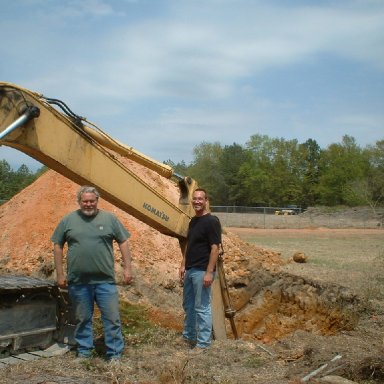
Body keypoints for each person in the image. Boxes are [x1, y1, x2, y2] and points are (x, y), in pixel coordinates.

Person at [51, 185, 133, 361]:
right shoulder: (68, 220)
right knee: (83, 319)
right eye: (85, 201)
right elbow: (57, 245)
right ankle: (85, 352)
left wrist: (127, 268)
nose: (88, 204)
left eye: (91, 201)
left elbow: (124, 242)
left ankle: (115, 354)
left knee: (112, 319)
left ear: (97, 201)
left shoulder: (109, 219)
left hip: (105, 281)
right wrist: (60, 274)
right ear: (79, 202)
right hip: (79, 281)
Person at [179, 188, 222, 350]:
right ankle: (189, 336)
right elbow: (189, 244)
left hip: (202, 271)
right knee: (188, 305)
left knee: (202, 307)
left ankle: (203, 343)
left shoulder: (211, 221)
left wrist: (209, 272)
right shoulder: (193, 221)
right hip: (190, 269)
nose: (197, 201)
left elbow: (215, 248)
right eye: (195, 199)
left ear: (206, 201)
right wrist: (183, 264)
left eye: (200, 199)